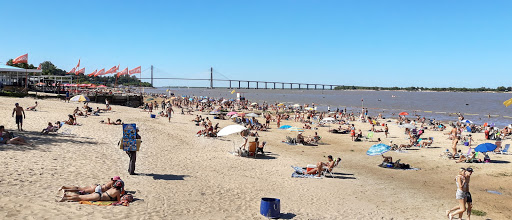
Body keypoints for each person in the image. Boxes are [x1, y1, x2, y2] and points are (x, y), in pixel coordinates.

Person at [58, 180, 124, 202]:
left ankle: (67, 195)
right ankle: (65, 198)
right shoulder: (118, 192)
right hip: (98, 197)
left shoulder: (112, 187)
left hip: (98, 193)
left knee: (80, 194)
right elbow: (118, 201)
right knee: (80, 197)